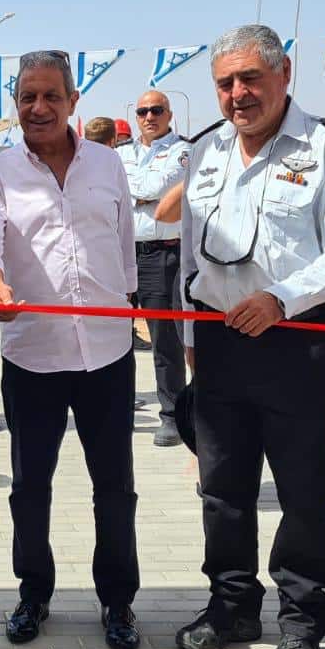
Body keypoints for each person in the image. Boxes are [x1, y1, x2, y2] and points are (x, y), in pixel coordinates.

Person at [176, 24, 325, 649]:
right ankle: (231, 605)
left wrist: (281, 299)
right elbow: (190, 257)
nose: (238, 94)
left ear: (284, 73)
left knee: (303, 491)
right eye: (225, 83)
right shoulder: (204, 151)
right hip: (219, 340)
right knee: (221, 488)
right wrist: (191, 341)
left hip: (296, 340)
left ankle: (301, 623)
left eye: (250, 79)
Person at [0, 51, 140, 649]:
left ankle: (118, 600)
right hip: (33, 356)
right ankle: (33, 593)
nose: (38, 108)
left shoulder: (108, 164)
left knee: (114, 487)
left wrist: (129, 301)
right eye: (27, 97)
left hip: (108, 355)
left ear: (72, 101)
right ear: (15, 103)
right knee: (30, 486)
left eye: (50, 96)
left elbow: (124, 245)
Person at [122, 90, 190, 446]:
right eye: (143, 111)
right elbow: (109, 191)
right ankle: (119, 409)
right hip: (120, 254)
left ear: (169, 114)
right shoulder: (120, 153)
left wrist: (134, 191)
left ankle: (172, 415)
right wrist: (143, 196)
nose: (149, 117)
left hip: (162, 255)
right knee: (115, 339)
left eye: (157, 110)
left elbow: (159, 187)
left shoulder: (183, 151)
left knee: (164, 341)